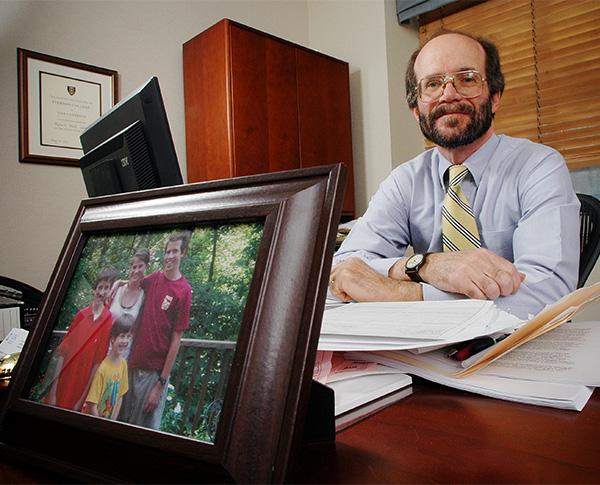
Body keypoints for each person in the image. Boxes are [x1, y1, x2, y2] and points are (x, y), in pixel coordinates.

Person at [329, 29, 579, 320]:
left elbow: (551, 294)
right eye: (433, 84)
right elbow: (342, 272)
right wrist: (423, 266)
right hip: (426, 351)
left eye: (467, 79)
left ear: (495, 97)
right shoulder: (404, 181)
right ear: (415, 108)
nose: (449, 94)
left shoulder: (539, 166)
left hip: (517, 345)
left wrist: (404, 292)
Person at [119, 231, 192, 430]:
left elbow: (176, 339)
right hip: (131, 365)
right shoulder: (154, 279)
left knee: (141, 432)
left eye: (174, 251)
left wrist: (160, 385)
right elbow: (133, 285)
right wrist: (117, 284)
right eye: (167, 251)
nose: (169, 256)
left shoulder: (184, 290)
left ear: (183, 253)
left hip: (153, 373)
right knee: (119, 424)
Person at [46, 266, 117, 411]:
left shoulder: (107, 319)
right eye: (100, 287)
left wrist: (81, 400)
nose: (102, 292)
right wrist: (53, 393)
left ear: (110, 291)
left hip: (80, 386)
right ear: (94, 289)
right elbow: (62, 353)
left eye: (106, 288)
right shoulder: (81, 315)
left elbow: (97, 363)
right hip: (63, 382)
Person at [84, 314, 133, 420]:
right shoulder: (102, 368)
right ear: (113, 339)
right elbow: (92, 404)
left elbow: (120, 396)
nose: (125, 341)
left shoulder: (123, 365)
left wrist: (112, 422)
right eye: (122, 336)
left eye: (128, 336)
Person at [109, 248, 149, 360]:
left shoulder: (143, 296)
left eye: (140, 266)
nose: (136, 270)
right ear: (130, 268)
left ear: (146, 267)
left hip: (124, 352)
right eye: (134, 267)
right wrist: (118, 282)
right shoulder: (116, 289)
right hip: (106, 346)